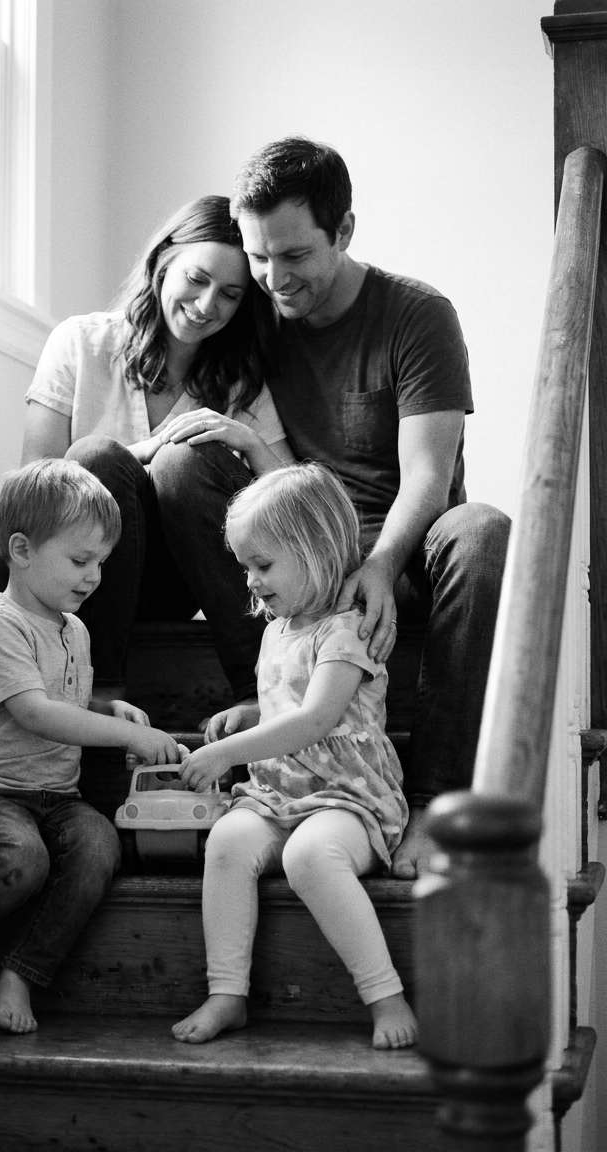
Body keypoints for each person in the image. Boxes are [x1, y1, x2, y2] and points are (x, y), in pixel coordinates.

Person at [0, 194, 292, 872]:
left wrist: (250, 443)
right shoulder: (83, 342)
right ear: (163, 262)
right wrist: (135, 456)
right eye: (197, 279)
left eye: (231, 295)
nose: (208, 305)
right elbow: (33, 485)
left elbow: (294, 502)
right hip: (78, 577)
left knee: (179, 464)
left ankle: (251, 687)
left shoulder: (239, 380)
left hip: (169, 578)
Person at [228, 136, 510, 879]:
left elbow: (429, 475)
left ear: (344, 231)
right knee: (189, 465)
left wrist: (380, 564)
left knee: (482, 531)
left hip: (406, 556)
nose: (274, 278)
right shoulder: (259, 316)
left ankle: (436, 802)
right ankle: (262, 709)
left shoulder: (417, 314)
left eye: (294, 255)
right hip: (303, 556)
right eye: (258, 256)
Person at [0, 458, 181, 1032]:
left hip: (56, 796)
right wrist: (131, 735)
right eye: (80, 560)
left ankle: (22, 972)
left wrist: (107, 710)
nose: (94, 577)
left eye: (101, 562)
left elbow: (63, 699)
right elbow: (36, 712)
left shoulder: (75, 628)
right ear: (21, 551)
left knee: (99, 848)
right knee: (20, 860)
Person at [172, 464, 417, 1049]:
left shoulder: (347, 630)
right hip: (279, 793)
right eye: (245, 567)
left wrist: (227, 752)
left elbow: (315, 719)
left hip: (348, 797)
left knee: (310, 855)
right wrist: (248, 715)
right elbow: (285, 705)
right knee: (227, 841)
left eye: (262, 565)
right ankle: (227, 993)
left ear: (315, 550)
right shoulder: (275, 632)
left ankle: (385, 995)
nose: (251, 581)